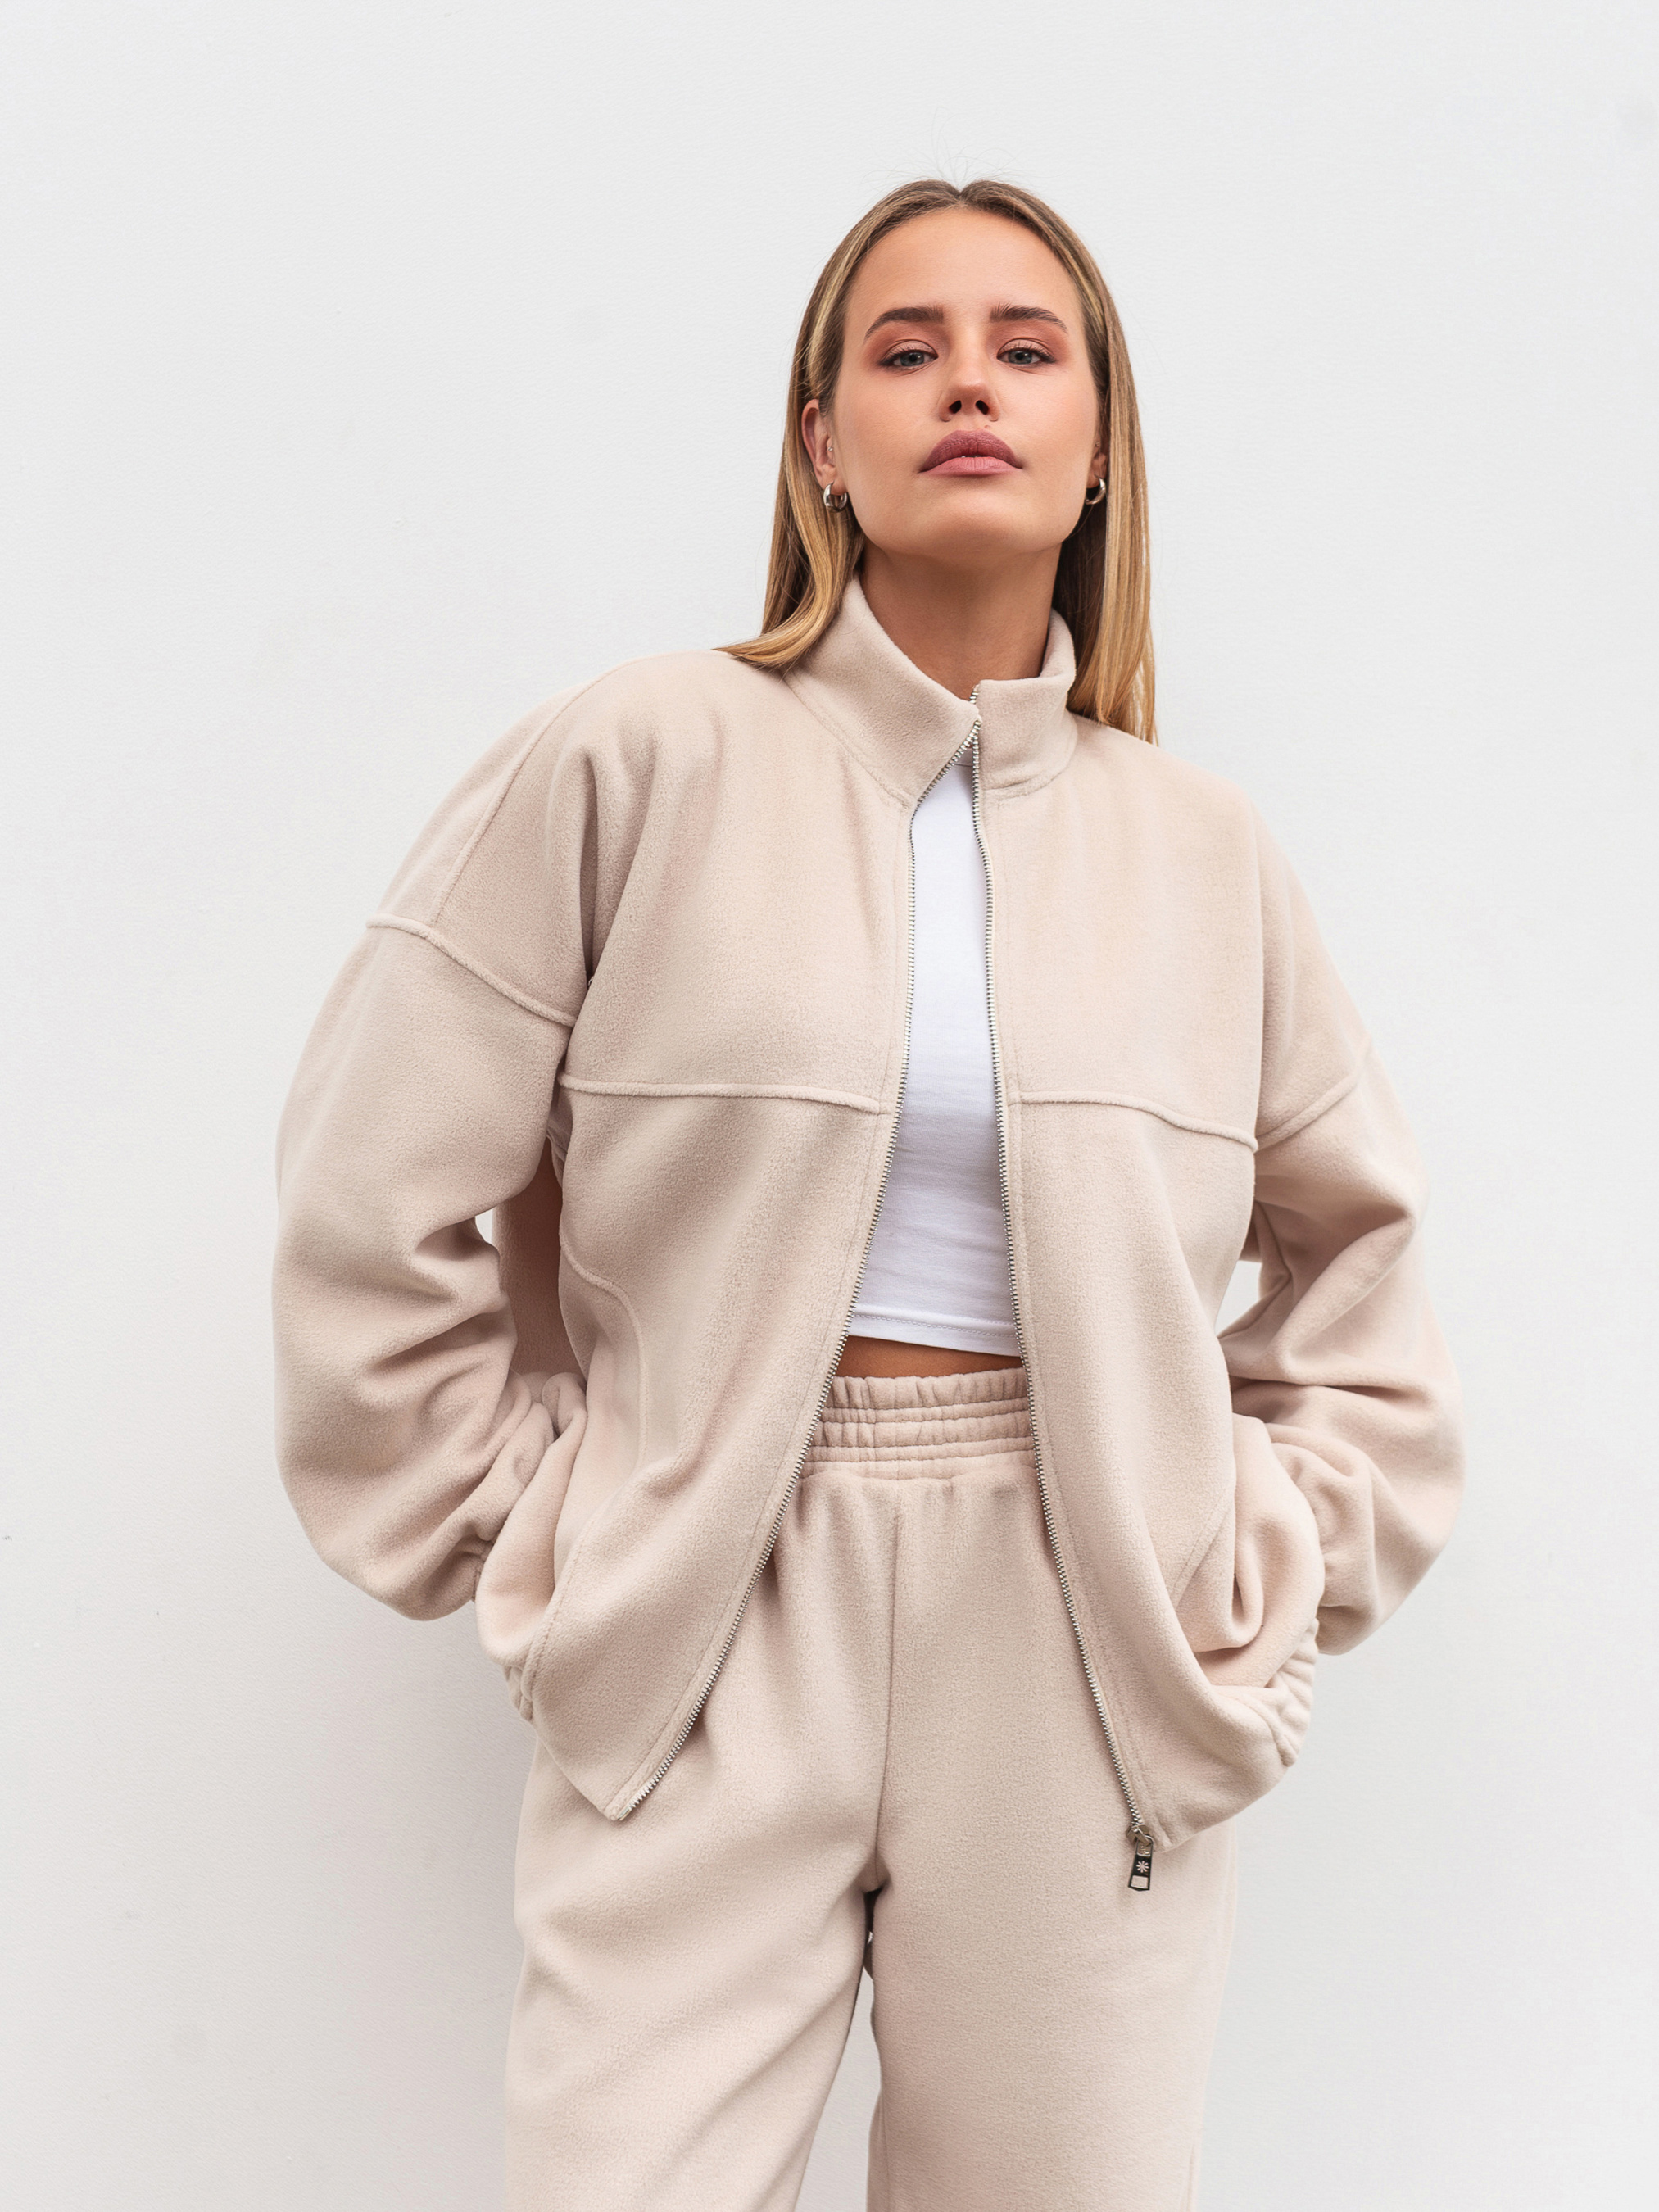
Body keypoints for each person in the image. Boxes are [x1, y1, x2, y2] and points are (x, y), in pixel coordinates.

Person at [272, 176, 1463, 2212]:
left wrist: (1254, 1553)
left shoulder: (1200, 852)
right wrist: (531, 1519)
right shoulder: (635, 758)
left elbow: (1364, 1269)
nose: (966, 386)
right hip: (707, 1599)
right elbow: (365, 1194)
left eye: (1024, 349)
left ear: (1099, 444)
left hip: (1081, 1626)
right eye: (904, 351)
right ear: (821, 442)